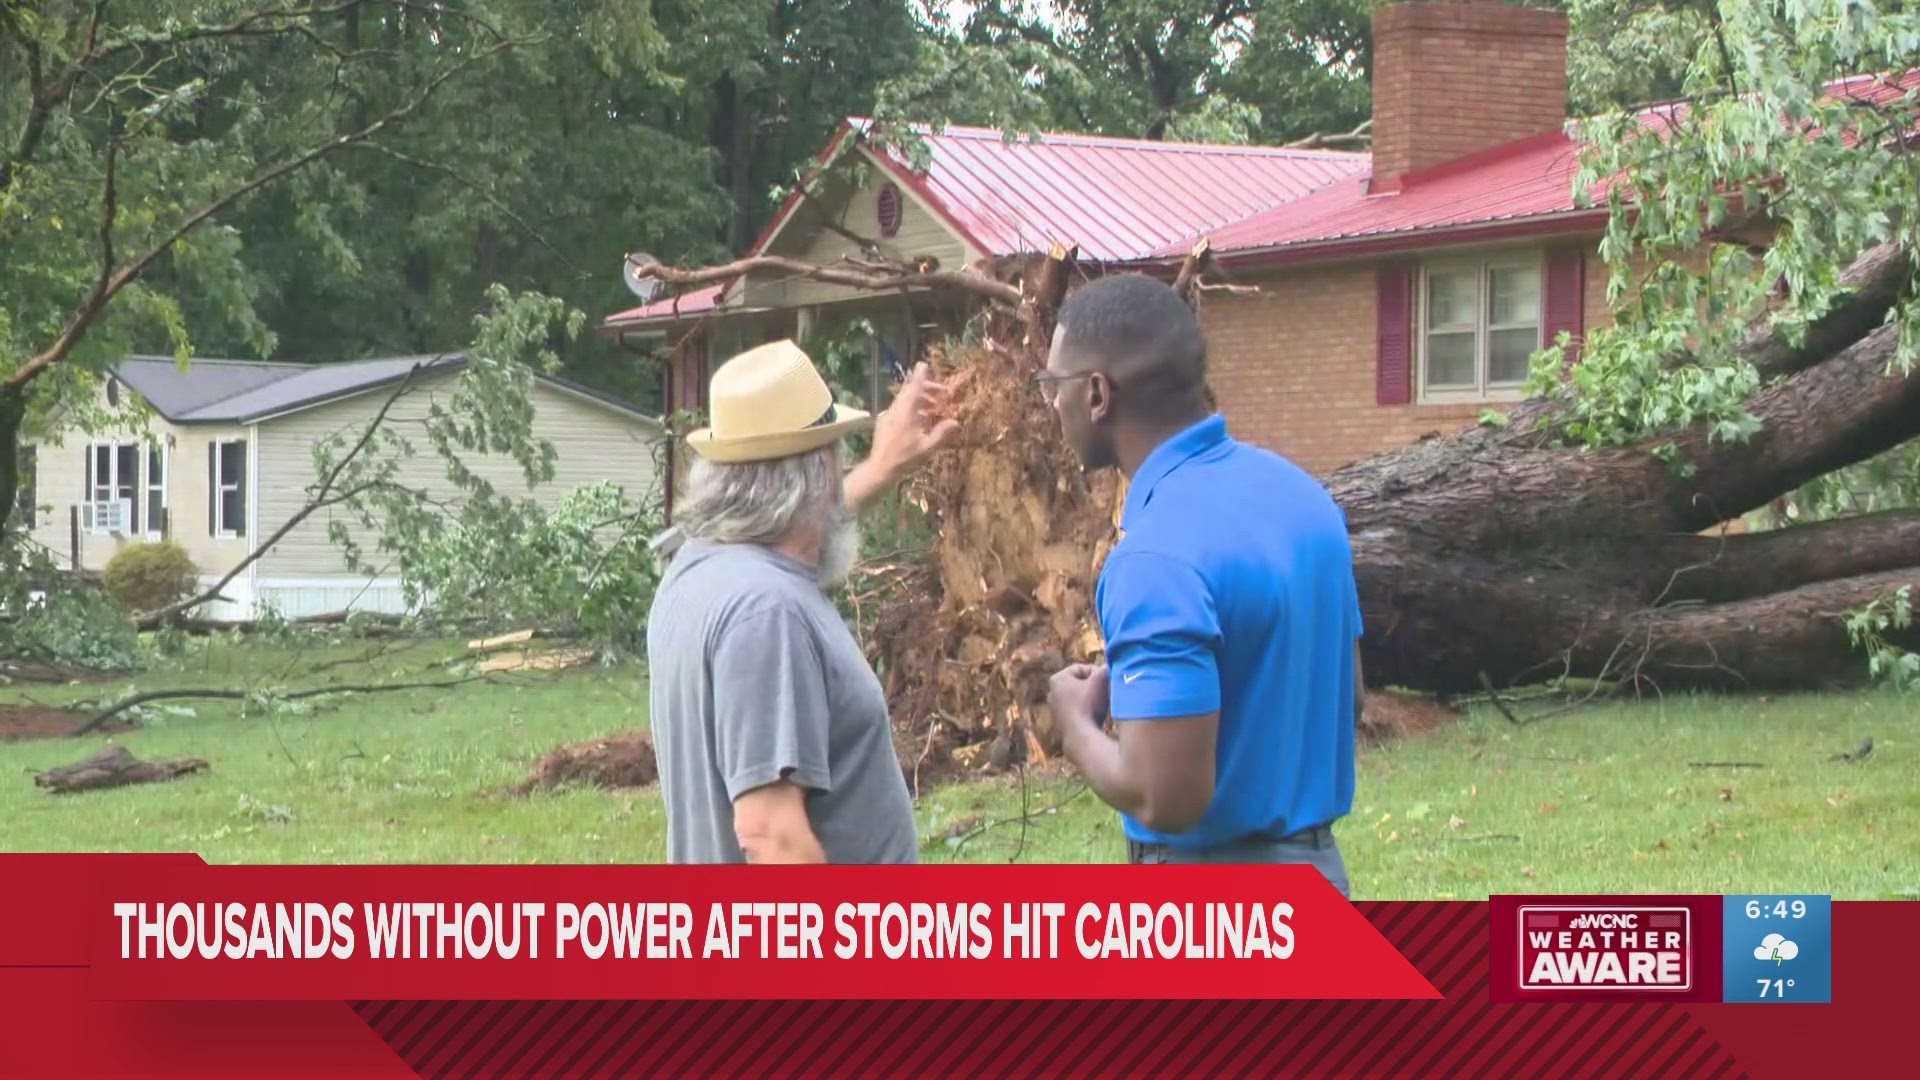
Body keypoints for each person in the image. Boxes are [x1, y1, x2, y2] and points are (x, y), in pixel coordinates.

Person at [1040, 274, 1364, 892]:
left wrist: (1074, 724)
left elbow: (1165, 798)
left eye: (1055, 386)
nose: (1052, 404)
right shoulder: (1304, 498)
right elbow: (1343, 693)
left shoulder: (1154, 557)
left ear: (1098, 395)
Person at [647, 339, 956, 864]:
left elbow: (797, 540)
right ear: (813, 477)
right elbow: (771, 835)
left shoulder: (698, 570)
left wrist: (883, 466)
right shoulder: (766, 613)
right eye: (834, 460)